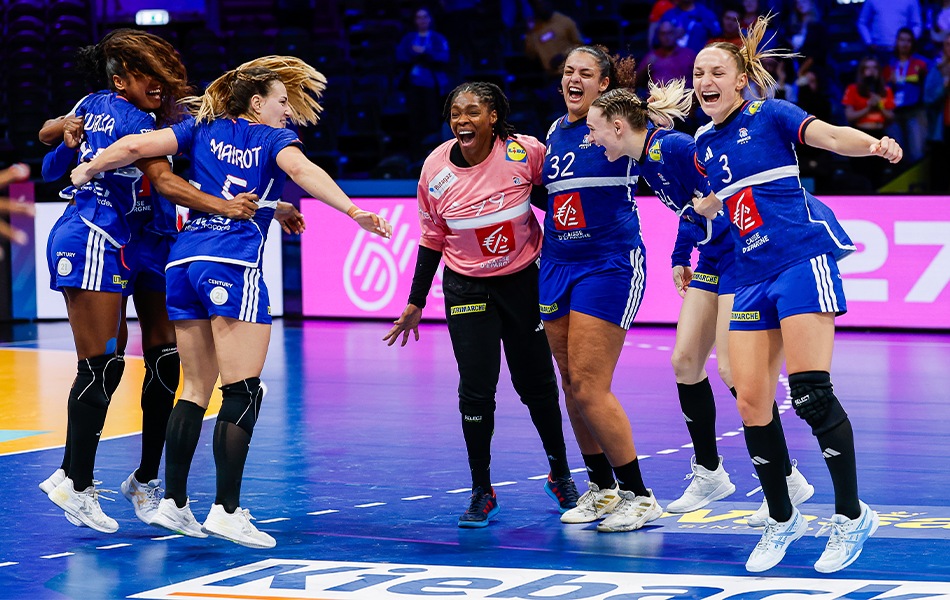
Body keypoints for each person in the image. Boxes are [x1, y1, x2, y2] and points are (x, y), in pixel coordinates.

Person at [72, 55, 392, 548]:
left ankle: (174, 503)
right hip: (233, 263)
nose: (288, 110)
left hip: (182, 263)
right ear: (256, 103)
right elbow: (303, 169)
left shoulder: (200, 128)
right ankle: (226, 511)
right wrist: (352, 211)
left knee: (194, 389)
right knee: (243, 391)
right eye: (281, 101)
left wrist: (90, 166)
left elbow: (134, 146)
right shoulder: (273, 139)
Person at [693, 15, 901, 573]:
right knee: (750, 401)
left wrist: (874, 145)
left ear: (741, 80)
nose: (705, 80)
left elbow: (830, 136)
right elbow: (724, 202)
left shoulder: (770, 113)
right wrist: (705, 212)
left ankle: (851, 515)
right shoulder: (703, 142)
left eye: (717, 72)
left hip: (800, 260)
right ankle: (783, 519)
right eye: (698, 73)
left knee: (810, 393)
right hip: (749, 273)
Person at [40, 29, 259, 534]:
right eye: (146, 76)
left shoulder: (99, 106)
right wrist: (225, 206)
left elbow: (51, 153)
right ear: (121, 82)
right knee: (102, 364)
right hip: (99, 234)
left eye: (162, 74)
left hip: (151, 237)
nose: (158, 83)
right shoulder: (136, 120)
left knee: (165, 357)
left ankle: (144, 480)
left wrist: (57, 130)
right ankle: (74, 480)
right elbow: (161, 179)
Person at [585, 81, 815, 519]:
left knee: (733, 369)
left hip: (739, 253)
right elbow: (690, 209)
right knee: (685, 362)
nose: (591, 139)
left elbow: (722, 183)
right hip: (711, 256)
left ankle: (785, 478)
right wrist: (680, 254)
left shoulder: (672, 146)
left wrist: (708, 210)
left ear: (617, 127)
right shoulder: (646, 160)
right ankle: (710, 473)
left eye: (594, 130)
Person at [384, 81, 580, 529]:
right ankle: (481, 491)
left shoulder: (524, 152)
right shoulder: (435, 169)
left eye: (473, 111)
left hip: (524, 282)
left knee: (537, 385)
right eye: (456, 113)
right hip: (467, 288)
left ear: (493, 117)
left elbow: (558, 200)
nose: (462, 120)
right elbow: (432, 237)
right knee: (475, 389)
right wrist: (415, 301)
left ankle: (561, 475)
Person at [538, 45, 662, 533]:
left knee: (590, 385)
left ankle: (639, 495)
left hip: (607, 264)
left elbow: (666, 157)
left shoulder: (621, 124)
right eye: (568, 71)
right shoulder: (554, 131)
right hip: (556, 263)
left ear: (603, 84)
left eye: (585, 73)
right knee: (571, 385)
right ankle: (603, 488)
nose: (574, 79)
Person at [396, 7, 451, 156]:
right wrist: (414, 53)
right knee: (415, 121)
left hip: (432, 86)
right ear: (415, 20)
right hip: (413, 86)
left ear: (430, 19)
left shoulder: (437, 38)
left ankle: (435, 153)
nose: (422, 20)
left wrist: (425, 52)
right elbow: (400, 56)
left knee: (432, 120)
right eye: (419, 17)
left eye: (425, 17)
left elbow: (444, 57)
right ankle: (417, 155)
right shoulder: (408, 38)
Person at [842, 56, 896, 188]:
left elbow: (891, 117)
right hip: (859, 135)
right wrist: (868, 107)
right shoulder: (852, 89)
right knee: (861, 174)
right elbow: (850, 116)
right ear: (862, 71)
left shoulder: (886, 91)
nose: (871, 71)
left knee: (878, 175)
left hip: (879, 135)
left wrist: (879, 106)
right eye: (867, 68)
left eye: (874, 68)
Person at [883, 28, 930, 163]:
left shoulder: (922, 63)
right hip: (894, 114)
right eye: (902, 40)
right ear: (896, 42)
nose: (905, 44)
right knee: (896, 155)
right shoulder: (888, 65)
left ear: (913, 43)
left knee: (917, 152)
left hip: (915, 112)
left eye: (908, 41)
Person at [525, 0, 583, 77]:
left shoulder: (565, 21)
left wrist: (564, 56)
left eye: (542, 2)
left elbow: (581, 45)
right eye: (537, 4)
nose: (540, 6)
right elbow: (531, 54)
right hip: (549, 75)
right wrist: (530, 33)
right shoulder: (534, 29)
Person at [636, 21, 697, 88]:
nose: (667, 37)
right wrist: (646, 67)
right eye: (663, 34)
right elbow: (637, 82)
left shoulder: (688, 54)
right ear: (658, 36)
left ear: (676, 34)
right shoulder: (652, 56)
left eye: (670, 33)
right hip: (658, 94)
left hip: (683, 93)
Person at [924, 35, 950, 190]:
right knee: (939, 177)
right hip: (942, 131)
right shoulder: (936, 70)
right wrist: (944, 86)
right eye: (948, 44)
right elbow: (928, 99)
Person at [858, 0, 923, 55]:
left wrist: (908, 42)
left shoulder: (911, 1)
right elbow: (862, 22)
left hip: (903, 51)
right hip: (878, 48)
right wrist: (869, 42)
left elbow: (917, 24)